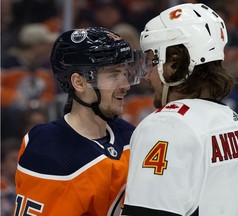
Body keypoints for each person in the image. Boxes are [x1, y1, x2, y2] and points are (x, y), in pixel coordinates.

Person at [122, 3, 238, 216]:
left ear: (174, 64)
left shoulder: (166, 125)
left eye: (151, 62)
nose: (147, 77)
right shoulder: (237, 124)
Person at [14, 26, 145, 215]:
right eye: (114, 74)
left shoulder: (129, 135)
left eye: (124, 73)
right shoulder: (49, 149)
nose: (125, 85)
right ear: (79, 82)